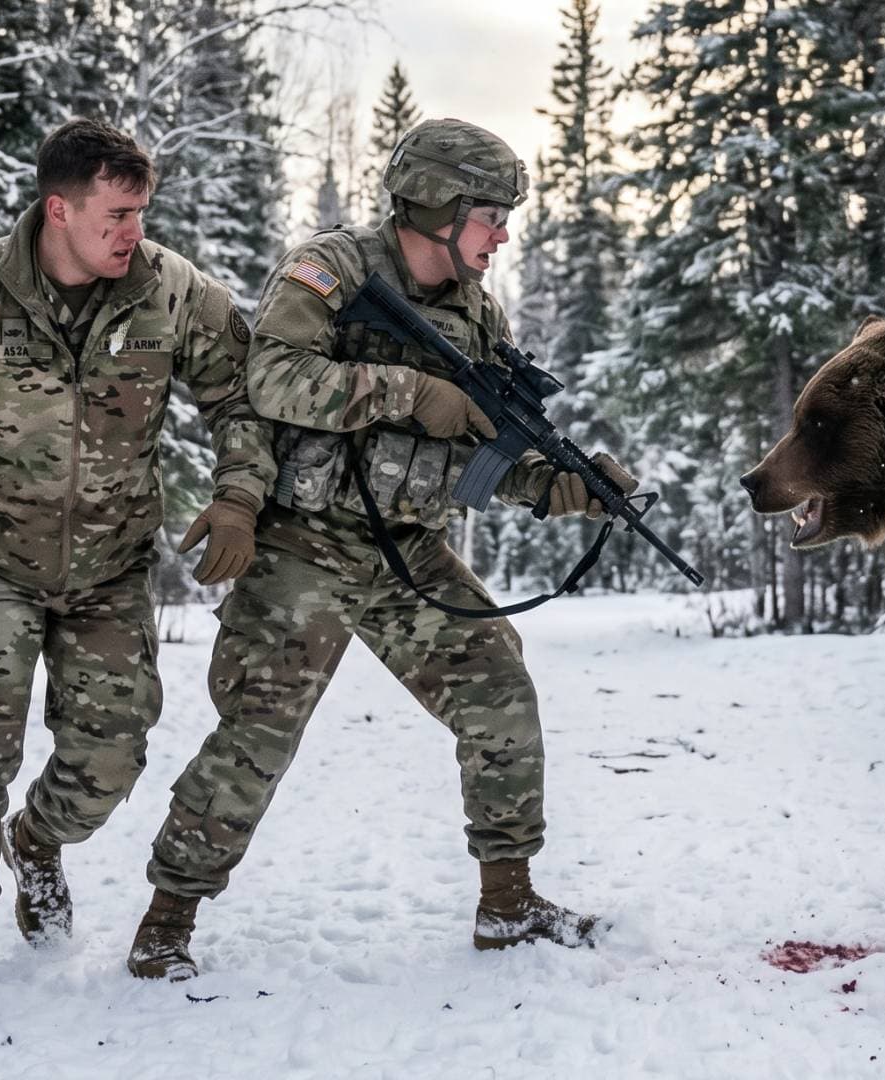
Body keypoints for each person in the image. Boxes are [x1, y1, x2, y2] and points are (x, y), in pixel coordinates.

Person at [127, 118, 637, 981]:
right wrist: (407, 391)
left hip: (409, 549)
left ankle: (508, 904)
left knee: (500, 689)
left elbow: (478, 453)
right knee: (260, 731)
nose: (501, 236)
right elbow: (271, 379)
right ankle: (165, 923)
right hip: (306, 540)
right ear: (439, 206)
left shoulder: (477, 312)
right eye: (490, 217)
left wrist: (559, 486)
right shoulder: (334, 269)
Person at [0, 118, 274, 1012]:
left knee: (111, 757)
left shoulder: (171, 290)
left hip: (111, 569)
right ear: (59, 210)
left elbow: (241, 397)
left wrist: (239, 494)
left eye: (142, 212)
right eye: (117, 215)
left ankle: (38, 839)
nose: (134, 232)